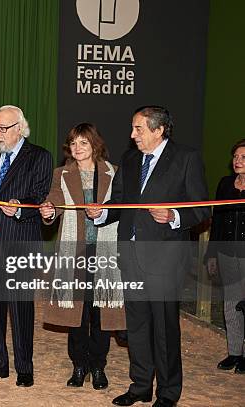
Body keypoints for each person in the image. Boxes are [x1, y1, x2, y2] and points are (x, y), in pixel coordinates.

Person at [86, 106, 210, 407]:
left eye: (138, 129)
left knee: (165, 329)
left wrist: (174, 215)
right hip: (129, 255)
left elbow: (202, 208)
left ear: (158, 130)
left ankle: (167, 393)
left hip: (165, 257)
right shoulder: (129, 159)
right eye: (132, 128)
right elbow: (119, 203)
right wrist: (101, 213)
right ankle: (140, 385)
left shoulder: (186, 158)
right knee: (137, 326)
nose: (132, 135)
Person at [0, 104, 52, 388]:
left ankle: (24, 367)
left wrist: (19, 208)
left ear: (20, 128)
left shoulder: (39, 156)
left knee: (21, 310)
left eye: (4, 128)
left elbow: (40, 196)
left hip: (20, 242)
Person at [39, 123, 126, 389]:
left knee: (101, 312)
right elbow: (53, 202)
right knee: (76, 313)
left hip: (105, 253)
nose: (77, 148)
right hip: (74, 252)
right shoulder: (61, 173)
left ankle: (98, 366)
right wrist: (48, 212)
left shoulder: (113, 173)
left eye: (83, 143)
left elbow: (122, 208)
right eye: (74, 143)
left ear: (95, 145)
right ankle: (79, 365)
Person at [205, 138, 245, 374]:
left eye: (243, 157)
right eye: (236, 156)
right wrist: (211, 255)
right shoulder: (225, 184)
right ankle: (234, 352)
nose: (238, 161)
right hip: (227, 253)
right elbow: (217, 220)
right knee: (230, 304)